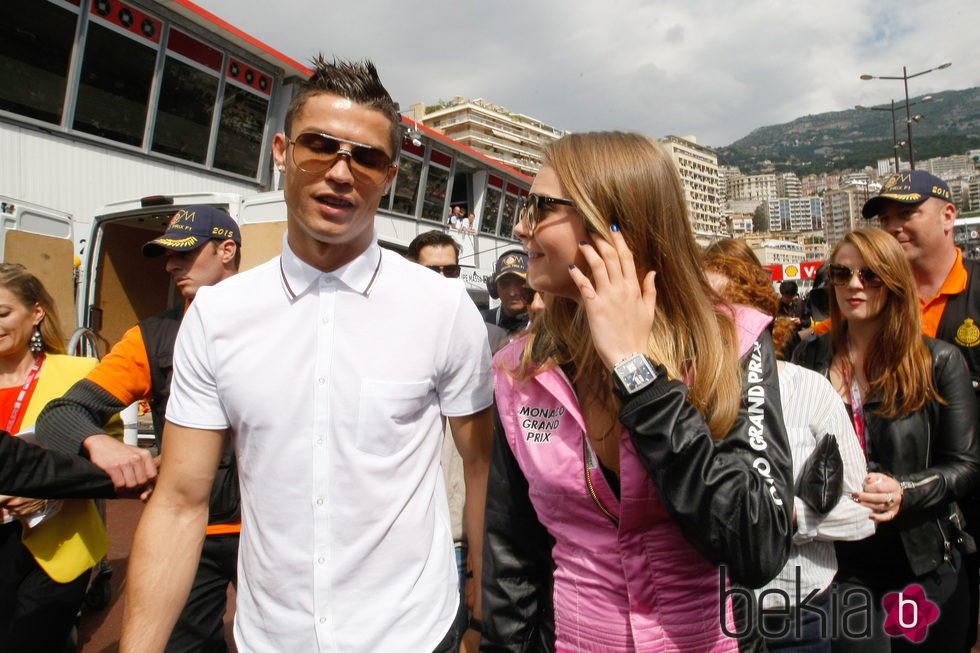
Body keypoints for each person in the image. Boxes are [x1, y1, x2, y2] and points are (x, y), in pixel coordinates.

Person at [121, 57, 493, 653]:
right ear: (281, 151)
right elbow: (179, 501)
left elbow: (480, 470)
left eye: (366, 158)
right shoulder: (218, 317)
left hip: (414, 635)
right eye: (319, 146)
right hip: (271, 637)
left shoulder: (443, 309)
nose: (341, 173)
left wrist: (480, 605)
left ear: (390, 175)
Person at [482, 132, 794, 651]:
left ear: (612, 223)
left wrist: (636, 372)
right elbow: (512, 553)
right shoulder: (519, 367)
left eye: (540, 207)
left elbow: (759, 544)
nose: (521, 225)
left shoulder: (732, 342)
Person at [37, 204, 242, 652]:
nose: (171, 266)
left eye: (185, 254)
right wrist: (99, 444)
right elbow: (59, 414)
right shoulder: (151, 338)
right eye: (168, 256)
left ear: (227, 250)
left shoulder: (279, 328)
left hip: (273, 530)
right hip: (189, 533)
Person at [793, 228, 980, 650]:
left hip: (919, 559)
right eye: (841, 274)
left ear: (894, 282)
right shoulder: (809, 357)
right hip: (840, 562)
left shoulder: (938, 361)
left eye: (870, 275)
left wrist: (904, 491)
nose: (854, 285)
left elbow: (967, 466)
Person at [703, 248, 874, 652]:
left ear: (760, 313)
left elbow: (864, 513)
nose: (717, 324)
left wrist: (791, 517)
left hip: (797, 616)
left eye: (730, 309)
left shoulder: (808, 391)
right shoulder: (679, 398)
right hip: (706, 621)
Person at [865, 169, 980, 651]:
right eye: (886, 217)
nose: (894, 227)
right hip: (923, 519)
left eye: (907, 213)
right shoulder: (876, 303)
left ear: (949, 215)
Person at [0, 263, 118, 651]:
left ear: (36, 313)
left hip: (56, 544)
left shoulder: (78, 373)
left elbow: (110, 455)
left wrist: (50, 492)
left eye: (3, 313)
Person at [406, 229, 505, 648]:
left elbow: (484, 459)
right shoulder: (392, 341)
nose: (444, 278)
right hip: (414, 541)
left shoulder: (488, 340)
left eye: (451, 270)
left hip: (465, 530)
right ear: (412, 272)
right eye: (433, 270)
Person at [481, 250, 532, 336]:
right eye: (504, 284)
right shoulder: (481, 322)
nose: (512, 293)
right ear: (494, 287)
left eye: (521, 282)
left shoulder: (547, 326)